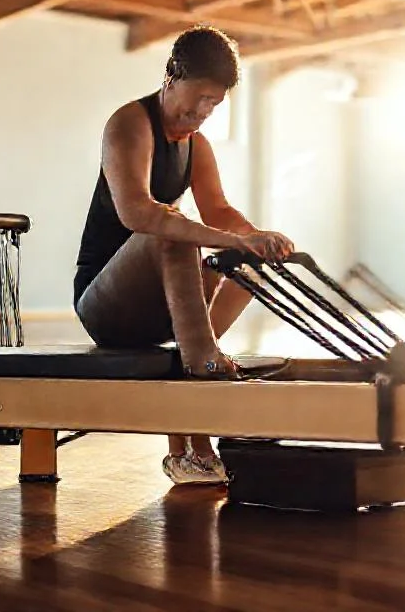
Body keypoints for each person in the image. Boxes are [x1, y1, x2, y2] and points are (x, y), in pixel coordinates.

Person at [73, 25, 295, 486]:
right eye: (198, 98)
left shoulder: (198, 146)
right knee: (168, 229)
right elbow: (139, 214)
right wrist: (232, 240)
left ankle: (193, 449)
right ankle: (207, 365)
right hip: (106, 304)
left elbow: (220, 211)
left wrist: (256, 239)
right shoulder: (130, 123)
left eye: (214, 103)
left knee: (251, 266)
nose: (203, 112)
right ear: (171, 75)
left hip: (165, 307)